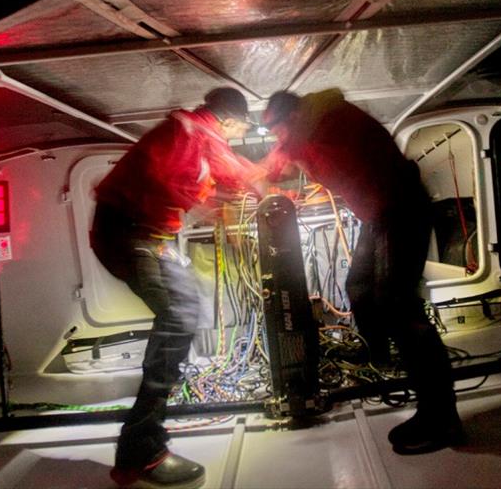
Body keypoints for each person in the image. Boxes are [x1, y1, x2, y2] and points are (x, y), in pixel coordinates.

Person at [260, 89, 463, 454]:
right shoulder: (313, 125)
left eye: (275, 129)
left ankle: (441, 418)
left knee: (399, 308)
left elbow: (285, 162)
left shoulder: (326, 121)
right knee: (359, 288)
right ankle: (380, 356)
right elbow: (311, 165)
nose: (276, 137)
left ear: (290, 119)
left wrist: (266, 171)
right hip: (379, 215)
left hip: (400, 210)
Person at [91, 87, 261, 488]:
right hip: (130, 235)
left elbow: (232, 171)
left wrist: (244, 191)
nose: (238, 136)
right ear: (231, 120)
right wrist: (212, 197)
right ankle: (140, 451)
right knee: (180, 315)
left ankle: (145, 440)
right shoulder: (191, 131)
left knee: (186, 308)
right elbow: (168, 178)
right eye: (240, 128)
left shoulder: (197, 135)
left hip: (147, 238)